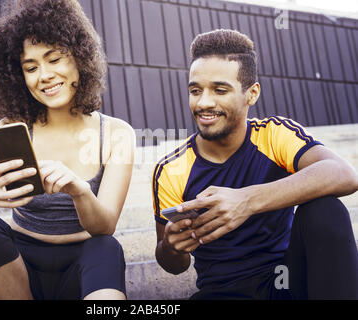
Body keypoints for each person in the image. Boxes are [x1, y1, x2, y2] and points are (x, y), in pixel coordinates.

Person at [0, 0, 135, 300]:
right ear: (19, 76)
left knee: (105, 247)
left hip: (82, 268)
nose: (44, 76)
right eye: (31, 67)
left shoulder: (116, 134)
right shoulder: (10, 129)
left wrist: (80, 192)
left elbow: (104, 226)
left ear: (80, 59)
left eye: (54, 60)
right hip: (14, 272)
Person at [152, 29, 358, 300]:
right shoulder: (170, 169)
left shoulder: (274, 134)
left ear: (252, 93)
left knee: (325, 209)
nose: (203, 103)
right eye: (195, 90)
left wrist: (245, 201)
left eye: (220, 90)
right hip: (222, 292)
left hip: (287, 280)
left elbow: (344, 174)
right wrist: (172, 247)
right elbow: (174, 266)